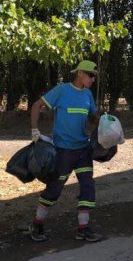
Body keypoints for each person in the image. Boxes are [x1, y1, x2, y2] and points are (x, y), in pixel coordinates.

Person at [29, 60, 102, 242]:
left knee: (87, 186)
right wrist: (34, 130)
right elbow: (37, 105)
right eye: (90, 75)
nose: (93, 79)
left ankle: (83, 228)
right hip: (63, 151)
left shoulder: (88, 95)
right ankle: (37, 224)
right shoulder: (62, 90)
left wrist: (104, 124)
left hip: (83, 150)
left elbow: (93, 118)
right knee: (54, 188)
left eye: (94, 76)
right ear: (80, 73)